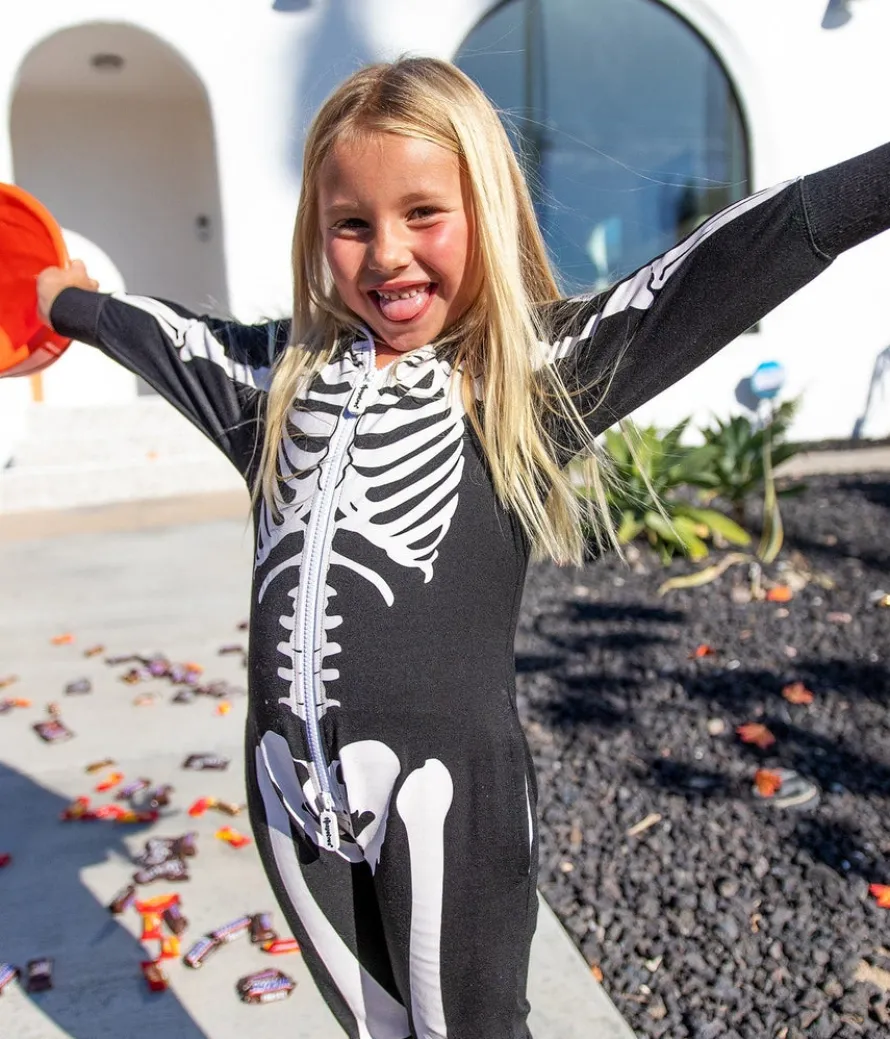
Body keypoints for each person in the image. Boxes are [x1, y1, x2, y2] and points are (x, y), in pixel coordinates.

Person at [35, 57, 890, 1039]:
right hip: (282, 785)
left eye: (423, 214)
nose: (386, 253)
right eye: (350, 223)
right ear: (318, 232)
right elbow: (152, 331)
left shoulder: (530, 373)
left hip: (441, 797)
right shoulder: (267, 383)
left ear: (483, 205)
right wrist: (58, 296)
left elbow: (744, 245)